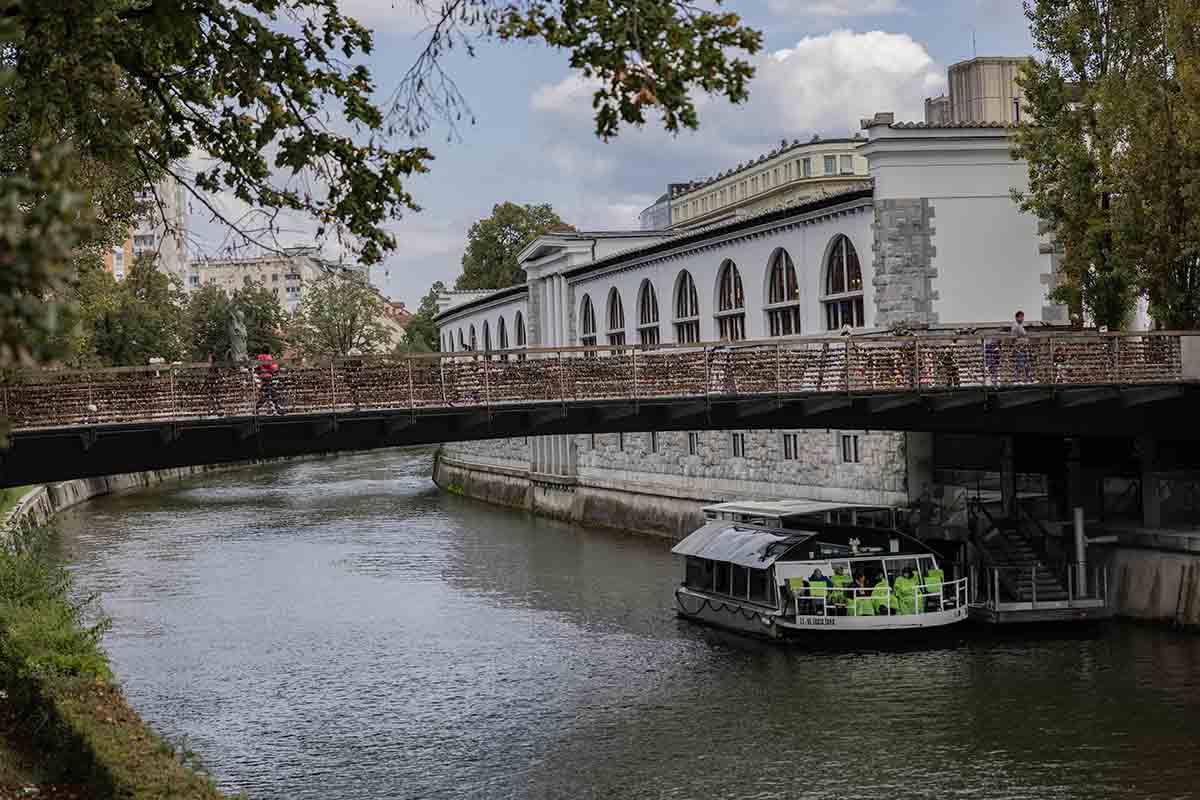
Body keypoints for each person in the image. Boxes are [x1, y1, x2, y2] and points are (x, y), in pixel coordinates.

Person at [1011, 310, 1031, 382]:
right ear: (1017, 318)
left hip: (1024, 348)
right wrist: (1016, 348)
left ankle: (1026, 379)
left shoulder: (1020, 326)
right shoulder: (1015, 326)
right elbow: (1013, 339)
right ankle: (1017, 380)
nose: (1022, 318)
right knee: (1020, 364)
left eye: (1023, 317)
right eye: (1021, 317)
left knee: (1026, 365)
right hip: (1019, 349)